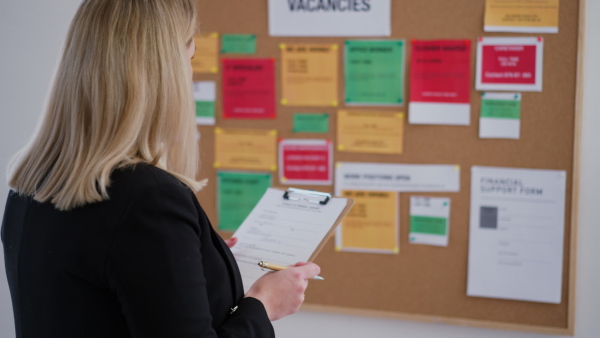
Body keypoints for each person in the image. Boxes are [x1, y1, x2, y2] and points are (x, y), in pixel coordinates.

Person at [0, 0, 320, 337]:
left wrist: (199, 258)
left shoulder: (33, 184)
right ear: (164, 71)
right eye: (190, 58)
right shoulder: (148, 200)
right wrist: (263, 304)